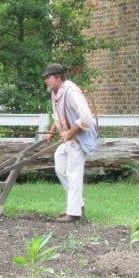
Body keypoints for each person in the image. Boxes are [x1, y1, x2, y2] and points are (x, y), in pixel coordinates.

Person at [42, 63, 98, 222]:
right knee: (60, 168)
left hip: (80, 140)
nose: (46, 80)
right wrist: (52, 131)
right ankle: (77, 205)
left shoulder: (72, 92)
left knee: (73, 173)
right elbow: (58, 115)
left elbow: (87, 119)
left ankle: (73, 213)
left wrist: (70, 132)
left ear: (58, 77)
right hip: (69, 140)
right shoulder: (56, 93)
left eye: (49, 77)